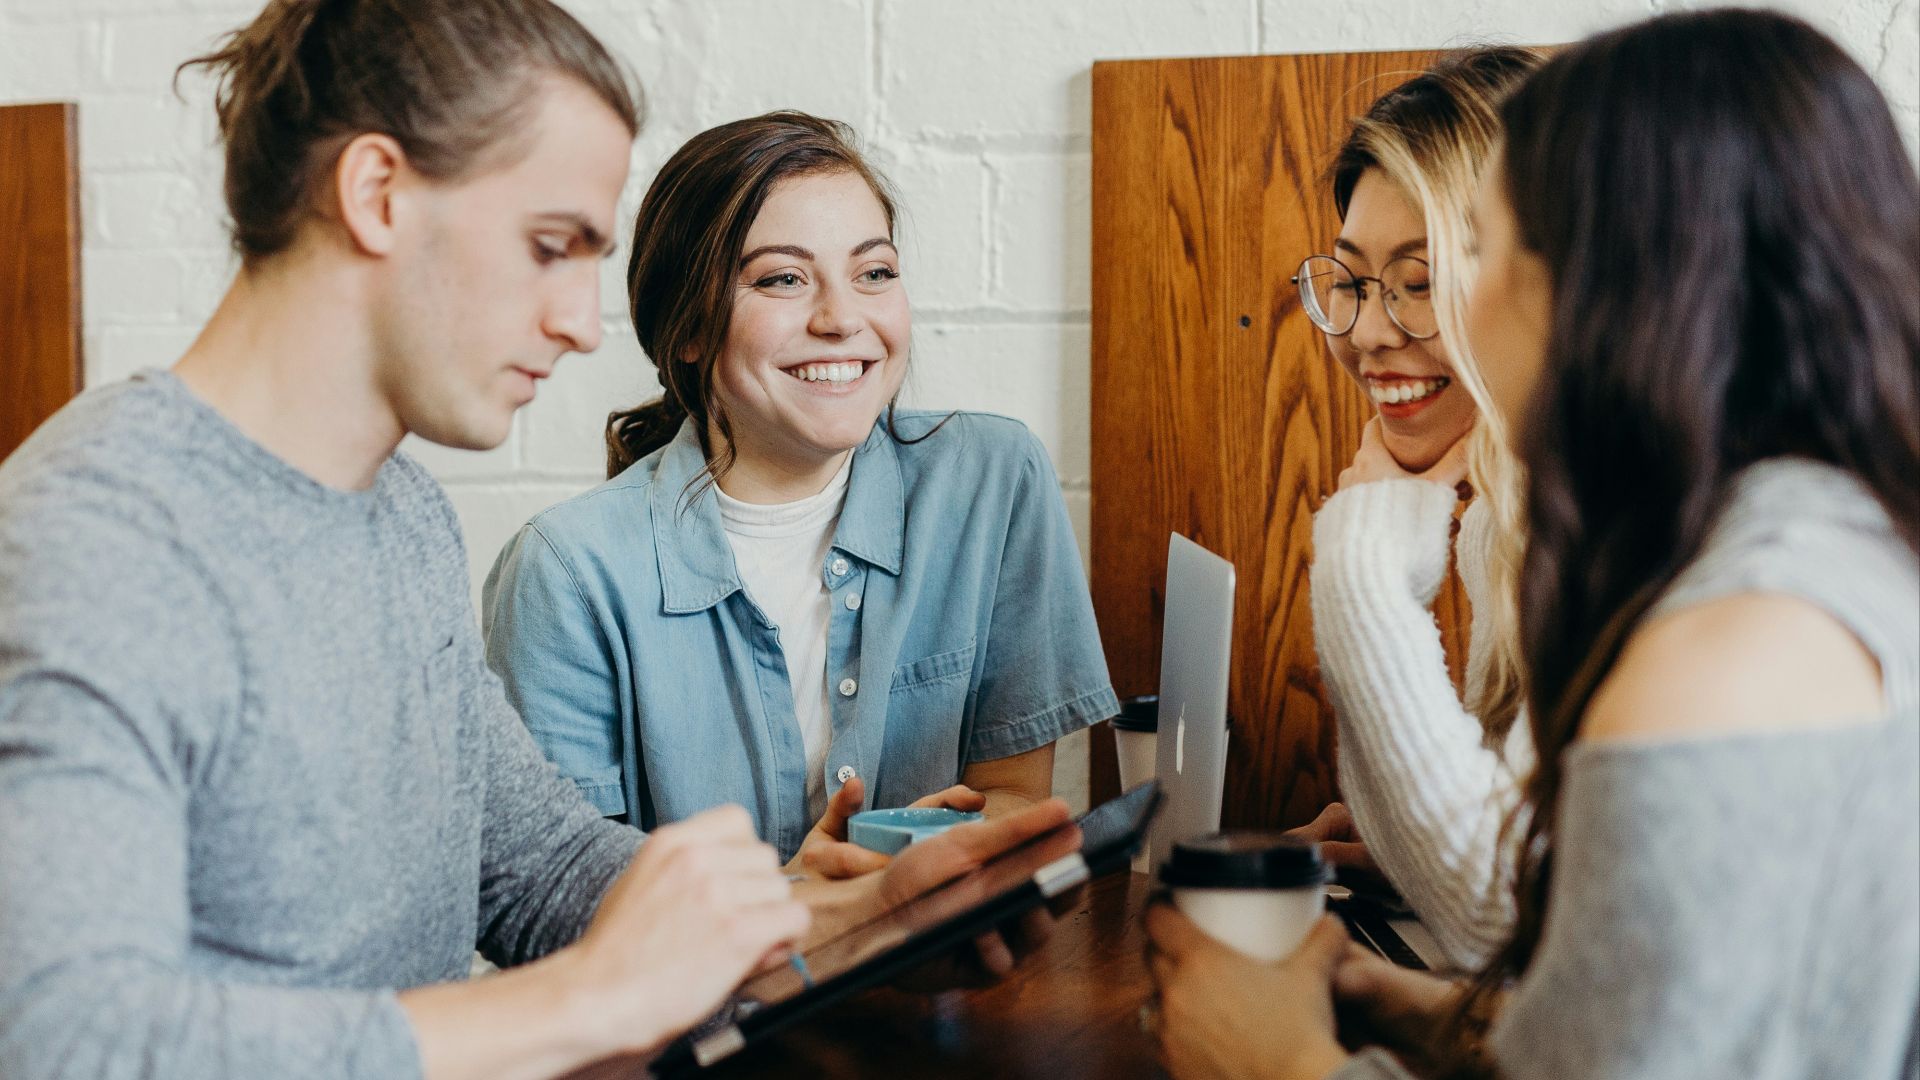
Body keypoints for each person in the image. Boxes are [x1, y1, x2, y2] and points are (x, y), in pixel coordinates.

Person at [0, 4, 1072, 1078]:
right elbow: (64, 1039)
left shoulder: (400, 516)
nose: (582, 323)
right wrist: (589, 999)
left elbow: (541, 871)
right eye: (549, 246)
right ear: (376, 195)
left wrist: (849, 926)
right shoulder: (93, 540)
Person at [1148, 9, 1919, 1079]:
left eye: (1484, 248)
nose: (1414, 314)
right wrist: (1426, 1016)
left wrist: (1275, 1061)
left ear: (1618, 281)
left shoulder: (1728, 648)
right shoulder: (1810, 547)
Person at [482, 111, 1118, 877]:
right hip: (704, 997)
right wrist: (804, 906)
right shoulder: (566, 572)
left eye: (873, 272)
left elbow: (1013, 798)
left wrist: (897, 883)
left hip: (939, 981)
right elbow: (564, 902)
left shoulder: (992, 481)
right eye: (783, 278)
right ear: (686, 328)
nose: (842, 318)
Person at [1288, 47, 1542, 971]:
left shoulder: (1614, 525)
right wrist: (1404, 843)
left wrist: (1360, 565)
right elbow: (1522, 881)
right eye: (1351, 281)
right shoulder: (1505, 518)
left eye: (1422, 280)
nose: (1366, 332)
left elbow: (1501, 919)